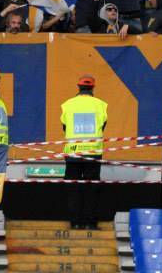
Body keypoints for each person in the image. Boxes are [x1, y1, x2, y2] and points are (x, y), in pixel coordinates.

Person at [60, 74, 108, 230]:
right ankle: (90, 223)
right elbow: (103, 126)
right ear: (93, 88)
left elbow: (65, 127)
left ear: (79, 87)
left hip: (73, 153)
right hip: (93, 153)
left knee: (73, 189)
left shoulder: (67, 105)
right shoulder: (101, 105)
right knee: (91, 189)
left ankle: (75, 223)